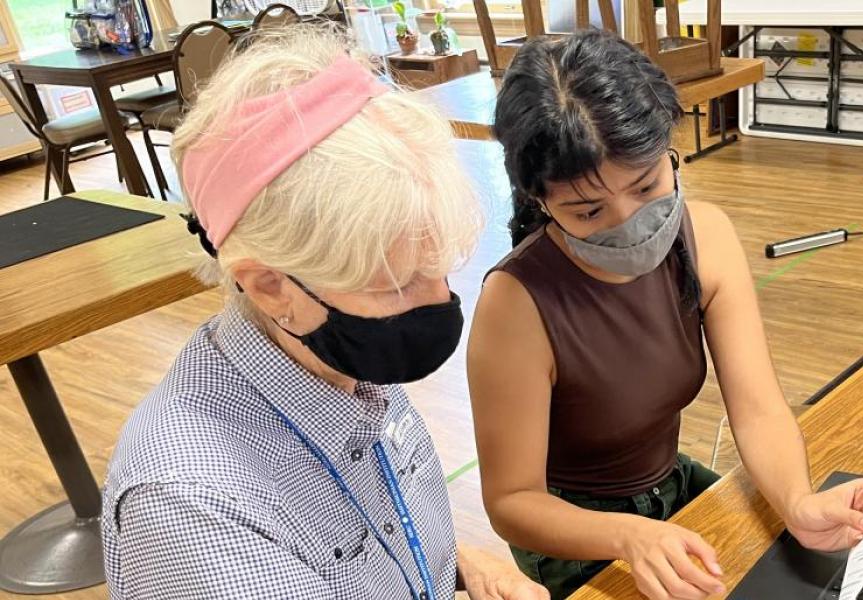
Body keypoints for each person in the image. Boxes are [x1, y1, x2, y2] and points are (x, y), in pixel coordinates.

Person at [100, 25, 546, 600]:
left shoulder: (331, 357)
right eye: (394, 283)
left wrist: (464, 563)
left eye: (434, 265)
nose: (436, 299)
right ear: (269, 286)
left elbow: (367, 540)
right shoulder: (194, 510)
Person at [468, 30, 863, 600]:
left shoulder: (704, 235)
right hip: (575, 535)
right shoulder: (516, 304)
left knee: (811, 575)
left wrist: (798, 501)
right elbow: (513, 503)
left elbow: (758, 407)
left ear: (670, 147)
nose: (627, 221)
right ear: (540, 202)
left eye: (646, 185)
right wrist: (626, 536)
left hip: (671, 487)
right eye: (588, 211)